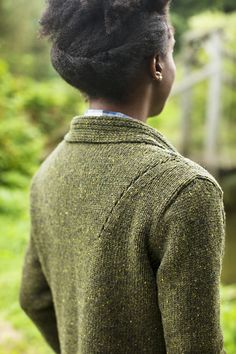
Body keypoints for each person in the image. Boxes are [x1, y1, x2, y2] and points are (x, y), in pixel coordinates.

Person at [18, 0, 227, 353]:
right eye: (171, 52)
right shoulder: (184, 190)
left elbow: (34, 298)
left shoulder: (47, 174)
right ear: (157, 64)